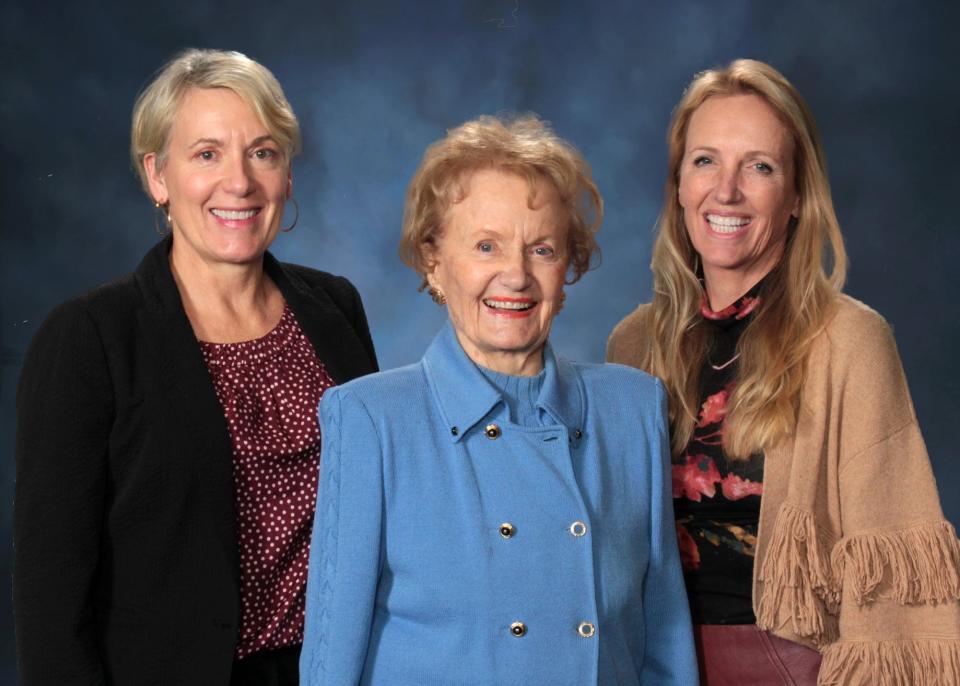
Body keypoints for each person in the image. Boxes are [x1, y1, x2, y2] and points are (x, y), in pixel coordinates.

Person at [14, 49, 378, 686]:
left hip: (333, 670)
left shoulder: (335, 308)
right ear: (158, 176)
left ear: (287, 174)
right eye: (206, 153)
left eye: (262, 152)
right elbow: (50, 592)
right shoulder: (91, 337)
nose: (238, 182)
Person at [299, 114, 698, 685]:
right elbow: (331, 659)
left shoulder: (630, 409)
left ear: (569, 267)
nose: (515, 275)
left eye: (542, 249)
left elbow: (665, 643)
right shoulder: (371, 419)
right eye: (486, 246)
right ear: (434, 260)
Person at [607, 58, 960, 685]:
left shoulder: (849, 341)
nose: (727, 191)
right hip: (647, 665)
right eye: (706, 160)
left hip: (787, 666)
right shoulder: (632, 344)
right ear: (680, 185)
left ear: (797, 196)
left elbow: (893, 577)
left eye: (760, 167)